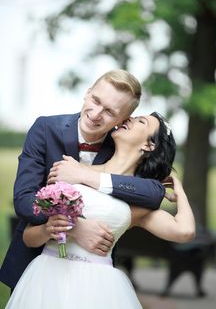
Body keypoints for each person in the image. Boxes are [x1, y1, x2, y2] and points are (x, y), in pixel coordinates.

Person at [5, 112, 195, 309]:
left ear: (148, 145)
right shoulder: (73, 170)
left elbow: (185, 231)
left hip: (98, 290)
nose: (128, 119)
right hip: (46, 279)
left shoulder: (139, 203)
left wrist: (179, 188)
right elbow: (28, 236)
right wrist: (53, 229)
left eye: (141, 121)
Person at [0, 70, 168, 291]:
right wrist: (74, 226)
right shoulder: (45, 129)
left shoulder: (121, 146)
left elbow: (153, 193)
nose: (96, 113)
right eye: (95, 100)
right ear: (88, 92)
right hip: (33, 265)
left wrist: (85, 175)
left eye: (109, 111)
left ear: (123, 120)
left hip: (91, 275)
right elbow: (23, 201)